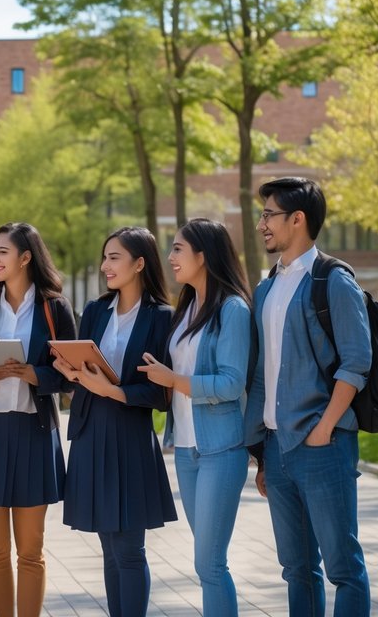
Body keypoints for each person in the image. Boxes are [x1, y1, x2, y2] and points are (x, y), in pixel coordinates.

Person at [245, 177, 371, 616]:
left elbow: (356, 364)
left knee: (343, 568)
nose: (262, 224)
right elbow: (262, 374)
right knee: (297, 569)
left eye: (269, 215)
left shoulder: (333, 281)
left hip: (324, 446)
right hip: (278, 450)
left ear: (297, 220)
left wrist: (324, 428)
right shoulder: (266, 289)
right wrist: (262, 452)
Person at [0, 222, 76, 617]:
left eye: (2, 251)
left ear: (26, 257)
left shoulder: (55, 308)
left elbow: (70, 372)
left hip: (33, 433)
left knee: (31, 550)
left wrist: (36, 374)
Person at [53, 226, 176, 617]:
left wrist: (111, 391)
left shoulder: (162, 318)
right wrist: (71, 374)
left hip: (129, 435)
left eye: (114, 257)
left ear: (140, 263)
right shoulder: (93, 311)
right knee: (107, 546)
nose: (105, 265)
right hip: (91, 433)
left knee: (128, 548)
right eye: (104, 257)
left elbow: (160, 393)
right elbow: (82, 371)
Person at [136, 218, 253, 616]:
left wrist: (176, 379)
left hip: (221, 449)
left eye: (178, 249)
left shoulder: (233, 309)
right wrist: (162, 377)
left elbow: (232, 384)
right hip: (186, 450)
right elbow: (180, 377)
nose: (169, 258)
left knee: (209, 563)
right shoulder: (185, 309)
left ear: (203, 256)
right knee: (206, 564)